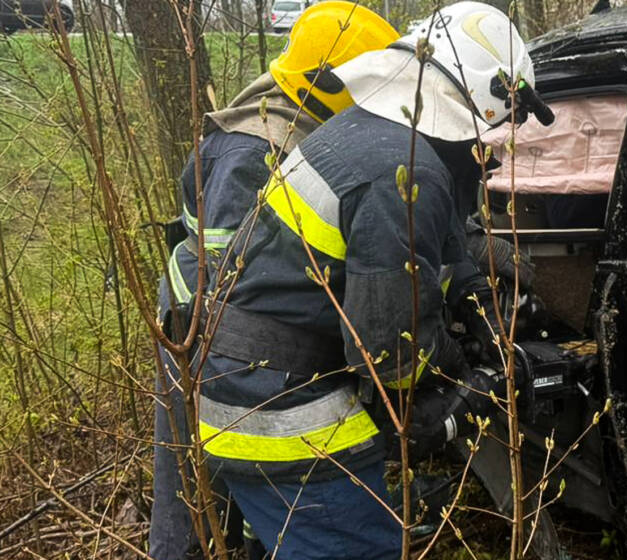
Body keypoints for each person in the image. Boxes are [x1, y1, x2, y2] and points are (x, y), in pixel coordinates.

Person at [194, 3, 550, 557]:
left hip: (243, 392)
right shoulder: (402, 172)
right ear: (483, 101)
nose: (496, 145)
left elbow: (420, 252)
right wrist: (469, 388)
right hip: (287, 417)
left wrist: (477, 299)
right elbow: (393, 355)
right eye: (503, 123)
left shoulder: (375, 136)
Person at [150, 5, 399, 559]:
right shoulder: (257, 148)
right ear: (331, 84)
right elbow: (239, 279)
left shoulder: (282, 123)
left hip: (213, 332)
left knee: (238, 486)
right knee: (193, 495)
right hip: (200, 333)